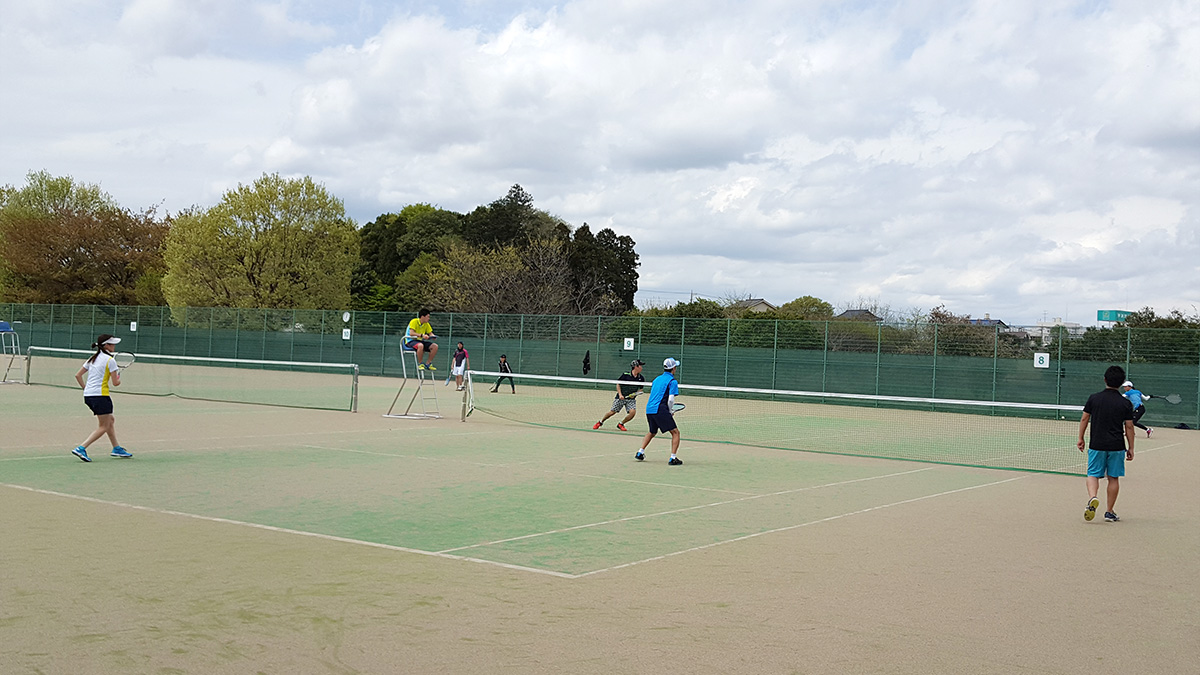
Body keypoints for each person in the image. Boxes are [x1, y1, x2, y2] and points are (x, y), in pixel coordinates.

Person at [1077, 365, 1135, 522]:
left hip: (1097, 444)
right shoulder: (1125, 403)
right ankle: (1109, 512)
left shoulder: (1094, 398)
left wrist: (1080, 438)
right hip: (1117, 446)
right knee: (1113, 478)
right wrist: (1131, 448)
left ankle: (1093, 498)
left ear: (1105, 379)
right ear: (1121, 382)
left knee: (1093, 474)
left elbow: (1084, 418)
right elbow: (1129, 426)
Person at [71, 334, 133, 462]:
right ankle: (81, 448)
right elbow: (116, 383)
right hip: (101, 396)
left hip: (89, 396)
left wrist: (86, 389)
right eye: (112, 344)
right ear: (106, 346)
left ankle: (116, 448)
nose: (114, 346)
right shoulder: (110, 361)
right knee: (103, 426)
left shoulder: (92, 359)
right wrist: (118, 379)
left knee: (110, 420)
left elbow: (78, 375)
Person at [636, 357, 683, 465]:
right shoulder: (672, 381)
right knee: (675, 432)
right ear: (674, 368)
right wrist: (670, 411)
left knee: (652, 431)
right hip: (660, 409)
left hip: (649, 409)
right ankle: (673, 458)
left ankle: (640, 452)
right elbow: (671, 399)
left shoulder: (657, 379)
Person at [593, 359, 646, 431]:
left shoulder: (641, 378)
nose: (641, 368)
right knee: (612, 412)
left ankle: (621, 424)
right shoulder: (625, 375)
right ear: (636, 367)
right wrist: (620, 394)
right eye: (640, 366)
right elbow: (618, 384)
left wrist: (635, 394)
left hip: (630, 399)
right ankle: (600, 422)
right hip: (620, 397)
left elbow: (640, 389)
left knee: (632, 413)